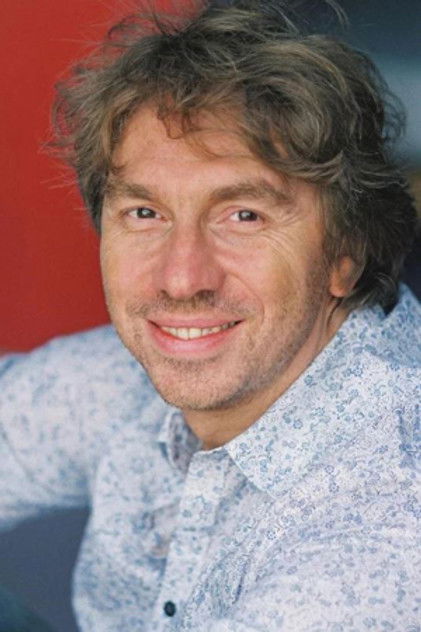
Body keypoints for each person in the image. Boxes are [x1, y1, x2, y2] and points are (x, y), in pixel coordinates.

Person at [1, 1, 420, 630]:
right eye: (145, 214)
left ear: (346, 255)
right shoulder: (148, 375)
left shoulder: (377, 535)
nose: (181, 279)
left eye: (243, 216)